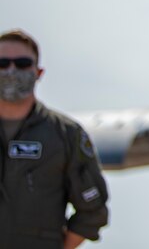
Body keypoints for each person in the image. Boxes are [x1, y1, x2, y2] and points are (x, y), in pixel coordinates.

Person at [0, 29, 109, 249]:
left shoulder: (64, 134)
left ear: (38, 72)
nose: (11, 71)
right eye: (2, 63)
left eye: (22, 64)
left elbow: (93, 210)